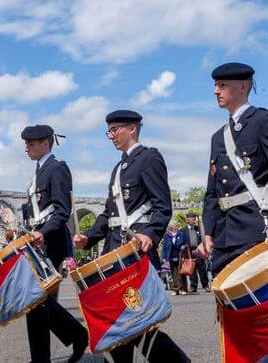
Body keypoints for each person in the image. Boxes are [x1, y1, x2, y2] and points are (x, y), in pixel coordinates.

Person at [73, 110, 189, 363]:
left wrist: (150, 233)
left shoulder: (149, 157)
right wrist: (88, 238)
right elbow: (107, 214)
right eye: (109, 131)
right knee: (117, 318)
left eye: (115, 130)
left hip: (136, 249)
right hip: (113, 251)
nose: (111, 136)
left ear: (132, 129)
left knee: (135, 315)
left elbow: (162, 205)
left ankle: (176, 360)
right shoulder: (117, 169)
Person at [201, 62, 268, 274]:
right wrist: (208, 232)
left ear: (243, 86)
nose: (215, 91)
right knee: (227, 303)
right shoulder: (218, 137)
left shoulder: (264, 121)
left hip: (256, 226)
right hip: (224, 234)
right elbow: (212, 191)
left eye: (222, 85)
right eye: (215, 85)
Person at [20, 124, 88, 363]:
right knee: (36, 303)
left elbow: (62, 210)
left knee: (38, 303)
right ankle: (72, 338)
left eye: (31, 143)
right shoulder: (38, 172)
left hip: (51, 244)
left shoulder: (57, 168)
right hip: (36, 244)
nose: (26, 148)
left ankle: (75, 337)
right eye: (26, 144)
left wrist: (43, 233)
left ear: (45, 143)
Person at [183, 212, 210, 293]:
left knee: (202, 270)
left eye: (195, 219)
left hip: (199, 252)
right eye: (193, 219)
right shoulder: (183, 230)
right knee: (192, 271)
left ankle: (206, 286)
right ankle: (193, 286)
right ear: (187, 220)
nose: (195, 221)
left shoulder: (198, 229)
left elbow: (203, 239)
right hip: (189, 252)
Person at [161, 222, 187, 295]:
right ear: (171, 227)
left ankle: (183, 288)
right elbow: (164, 247)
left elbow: (185, 243)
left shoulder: (181, 234)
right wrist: (164, 257)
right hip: (171, 256)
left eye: (177, 226)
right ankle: (176, 289)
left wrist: (183, 246)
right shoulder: (167, 235)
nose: (177, 227)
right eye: (175, 226)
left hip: (180, 255)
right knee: (173, 273)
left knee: (181, 272)